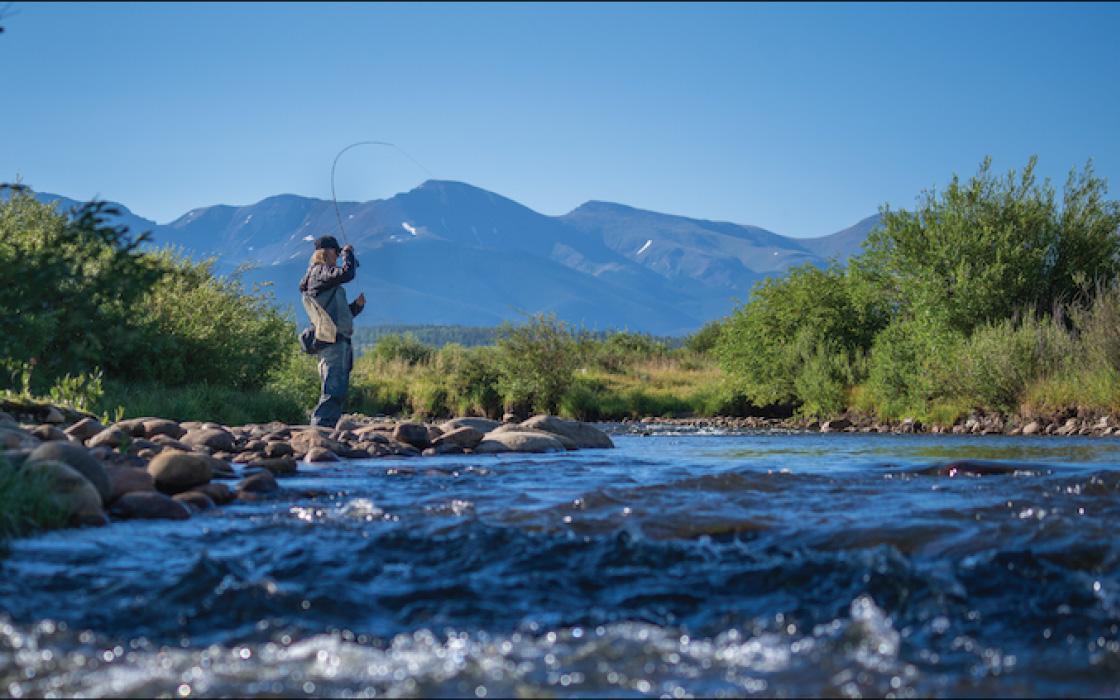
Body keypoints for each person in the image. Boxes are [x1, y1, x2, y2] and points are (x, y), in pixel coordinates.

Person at [299, 235, 366, 428]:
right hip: (332, 343)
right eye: (336, 253)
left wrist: (356, 307)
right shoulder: (319, 272)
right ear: (326, 252)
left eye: (339, 253)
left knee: (338, 388)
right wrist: (348, 253)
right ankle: (321, 428)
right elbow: (347, 274)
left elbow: (336, 315)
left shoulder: (322, 278)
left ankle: (325, 427)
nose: (337, 256)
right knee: (334, 388)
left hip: (338, 340)